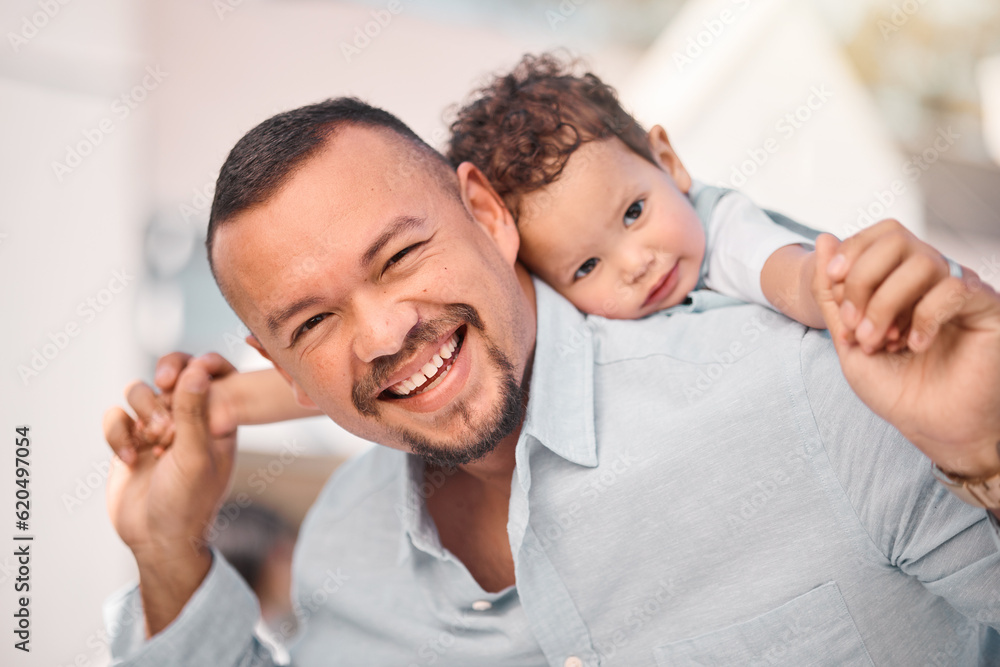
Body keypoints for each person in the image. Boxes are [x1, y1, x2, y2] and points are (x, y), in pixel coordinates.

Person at [102, 92, 1000, 665]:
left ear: (488, 214)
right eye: (314, 322)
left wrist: (989, 448)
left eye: (403, 255)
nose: (385, 331)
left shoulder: (805, 386)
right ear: (289, 373)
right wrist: (166, 554)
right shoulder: (341, 548)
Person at [128, 54, 936, 437]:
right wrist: (223, 402)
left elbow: (785, 273)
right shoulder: (530, 310)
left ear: (670, 164)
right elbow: (349, 378)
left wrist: (842, 297)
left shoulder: (718, 235)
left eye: (633, 214)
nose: (639, 264)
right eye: (585, 265)